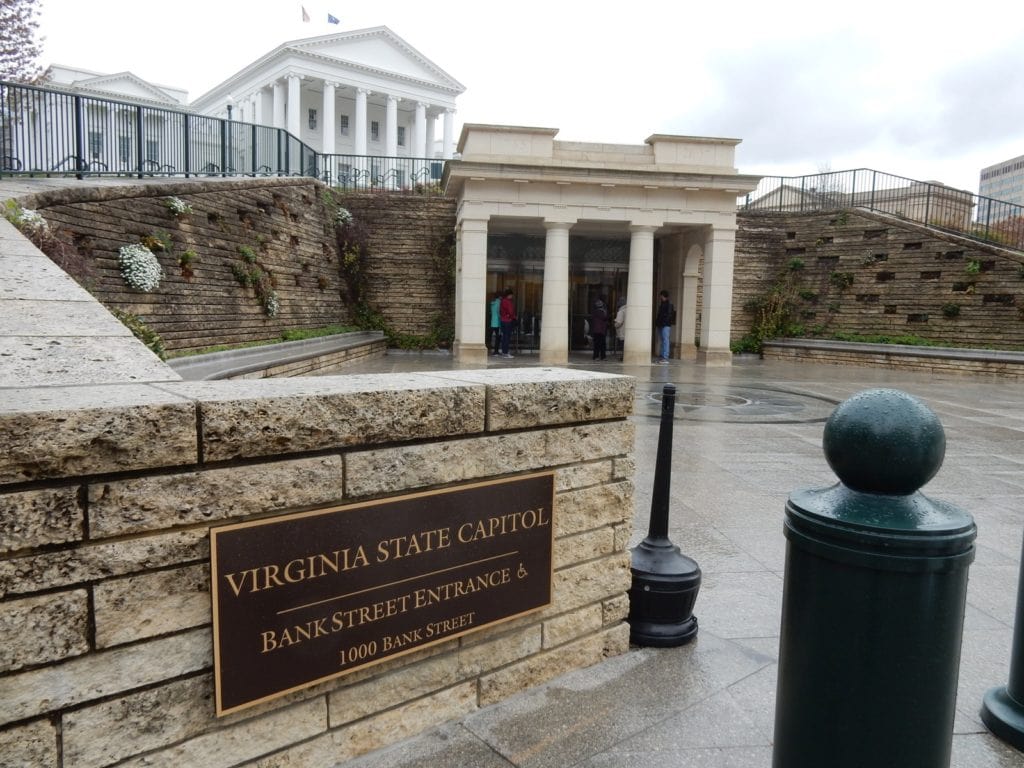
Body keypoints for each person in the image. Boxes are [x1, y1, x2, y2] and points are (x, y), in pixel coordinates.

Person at [654, 289, 674, 363]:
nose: (660, 298)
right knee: (663, 341)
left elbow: (668, 315)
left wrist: (663, 322)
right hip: (661, 325)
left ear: (664, 296)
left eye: (661, 296)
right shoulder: (662, 304)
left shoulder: (669, 305)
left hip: (665, 325)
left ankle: (665, 357)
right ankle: (662, 356)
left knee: (665, 340)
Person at [499, 287, 516, 358]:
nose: (512, 296)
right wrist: (513, 317)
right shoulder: (508, 302)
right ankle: (505, 352)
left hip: (503, 320)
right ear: (509, 295)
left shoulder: (502, 301)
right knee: (507, 337)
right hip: (508, 321)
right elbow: (511, 311)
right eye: (511, 295)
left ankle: (504, 351)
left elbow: (501, 311)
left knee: (504, 337)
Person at [590, 297, 609, 361]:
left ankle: (596, 356)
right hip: (601, 330)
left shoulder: (594, 312)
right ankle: (602, 357)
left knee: (596, 344)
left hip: (596, 330)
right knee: (602, 344)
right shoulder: (602, 312)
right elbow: (605, 318)